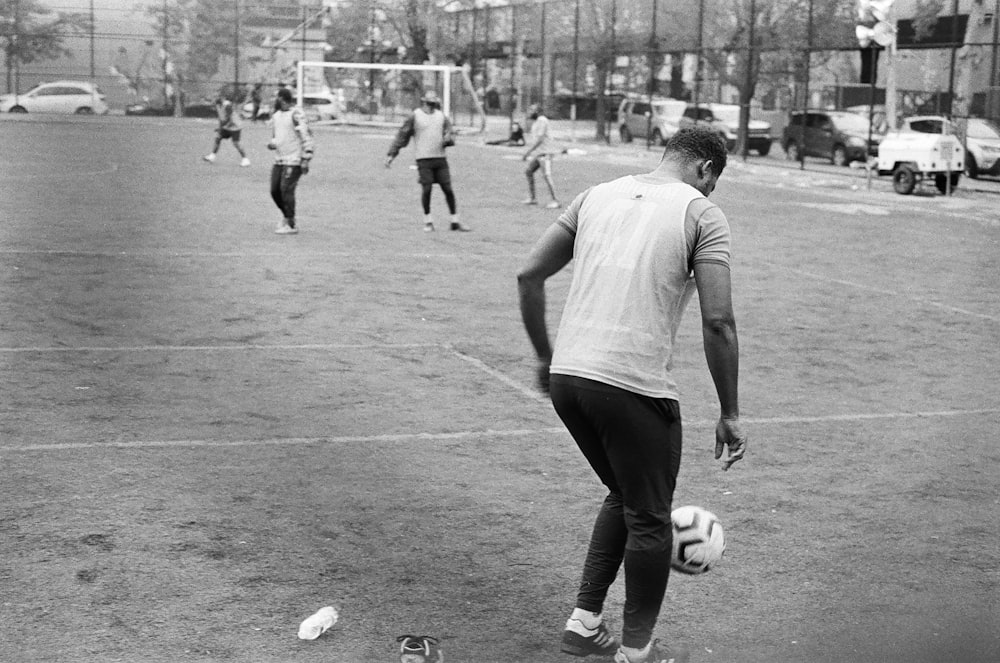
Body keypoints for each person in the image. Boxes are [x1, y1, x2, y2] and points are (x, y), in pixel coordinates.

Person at [516, 127, 748, 663]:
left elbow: (529, 275)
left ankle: (584, 624)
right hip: (633, 384)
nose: (711, 192)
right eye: (714, 183)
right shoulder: (702, 213)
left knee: (624, 494)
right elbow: (718, 321)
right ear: (707, 170)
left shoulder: (595, 195)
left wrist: (546, 358)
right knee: (649, 516)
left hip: (569, 379)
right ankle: (638, 651)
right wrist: (730, 412)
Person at [385, 90, 469, 232]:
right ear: (424, 101)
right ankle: (428, 221)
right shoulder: (415, 116)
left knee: (448, 189)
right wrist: (392, 154)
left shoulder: (441, 117)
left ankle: (454, 221)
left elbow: (449, 133)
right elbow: (402, 135)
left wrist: (449, 138)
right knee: (427, 189)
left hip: (440, 158)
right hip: (423, 159)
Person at [267, 87, 314, 235]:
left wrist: (306, 157)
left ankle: (291, 223)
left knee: (286, 189)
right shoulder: (276, 116)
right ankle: (286, 216)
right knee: (274, 191)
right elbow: (277, 135)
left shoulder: (297, 114)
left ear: (282, 99)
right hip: (280, 159)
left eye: (277, 98)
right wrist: (273, 143)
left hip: (294, 159)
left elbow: (306, 136)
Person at [522, 104, 560, 209]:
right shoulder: (536, 122)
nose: (530, 112)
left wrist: (528, 152)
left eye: (532, 110)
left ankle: (555, 201)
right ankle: (532, 198)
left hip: (545, 153)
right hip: (539, 153)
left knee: (547, 176)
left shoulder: (542, 120)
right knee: (528, 171)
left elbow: (540, 139)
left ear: (537, 111)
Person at [203, 96, 250, 167]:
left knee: (236, 143)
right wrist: (220, 128)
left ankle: (245, 160)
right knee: (218, 138)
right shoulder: (218, 106)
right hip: (227, 126)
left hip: (235, 126)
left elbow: (228, 118)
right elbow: (221, 119)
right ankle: (212, 156)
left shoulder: (227, 105)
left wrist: (222, 127)